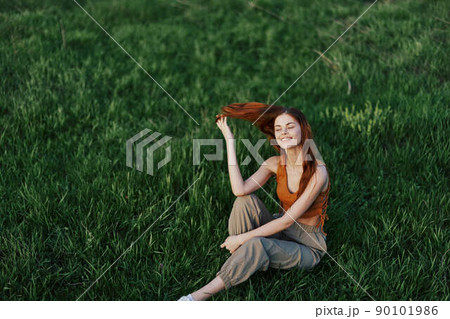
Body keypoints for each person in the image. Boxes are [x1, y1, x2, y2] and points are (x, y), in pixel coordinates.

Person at [178, 102, 330, 301]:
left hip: (308, 245)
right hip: (280, 230)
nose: (284, 132)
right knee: (245, 201)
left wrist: (242, 238)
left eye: (290, 126)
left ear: (303, 128)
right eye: (278, 129)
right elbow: (239, 190)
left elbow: (287, 221)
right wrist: (230, 142)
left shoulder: (318, 171)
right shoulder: (274, 164)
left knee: (257, 244)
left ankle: (193, 299)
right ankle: (244, 259)